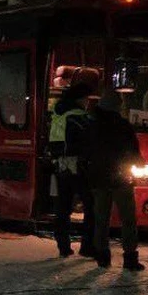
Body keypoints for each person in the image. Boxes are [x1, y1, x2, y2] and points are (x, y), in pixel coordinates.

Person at [84, 90, 145, 270]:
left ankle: (102, 256)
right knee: (128, 219)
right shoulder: (123, 125)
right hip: (121, 178)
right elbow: (133, 152)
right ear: (117, 106)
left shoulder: (92, 124)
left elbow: (86, 151)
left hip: (99, 178)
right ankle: (130, 258)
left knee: (101, 219)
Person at [48, 70, 97, 257]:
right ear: (80, 98)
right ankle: (87, 246)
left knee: (63, 206)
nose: (88, 102)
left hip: (61, 164)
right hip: (78, 165)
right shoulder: (79, 116)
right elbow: (90, 141)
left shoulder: (59, 113)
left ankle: (63, 246)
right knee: (90, 206)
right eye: (87, 98)